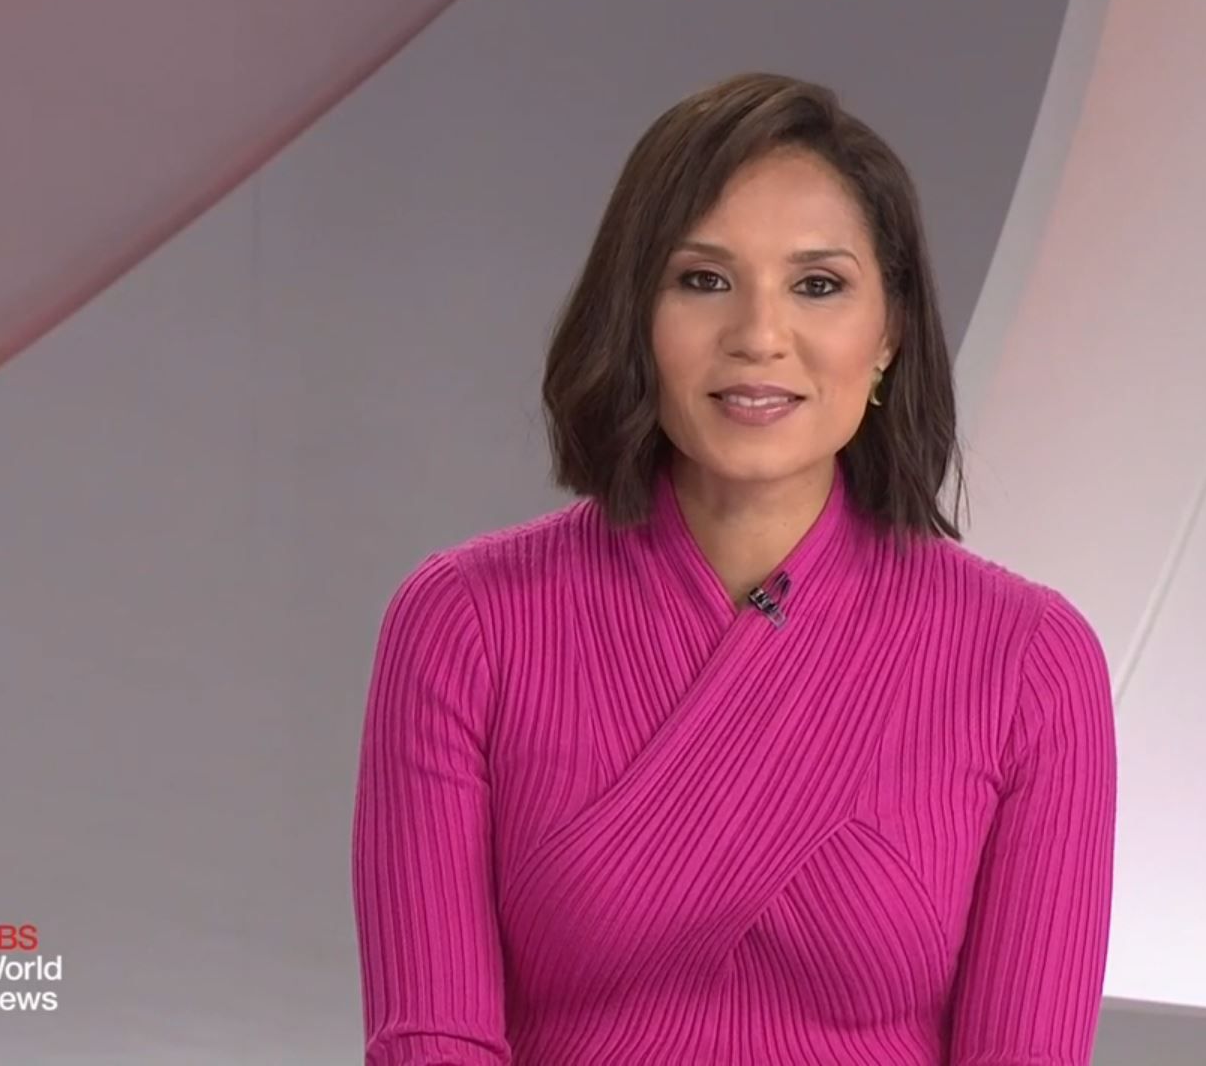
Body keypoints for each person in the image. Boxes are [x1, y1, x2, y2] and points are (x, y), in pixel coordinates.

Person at [352, 71, 1117, 1065]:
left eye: (818, 285)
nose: (758, 337)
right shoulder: (465, 625)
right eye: (703, 280)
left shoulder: (1030, 662)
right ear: (636, 314)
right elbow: (432, 1039)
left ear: (888, 334)